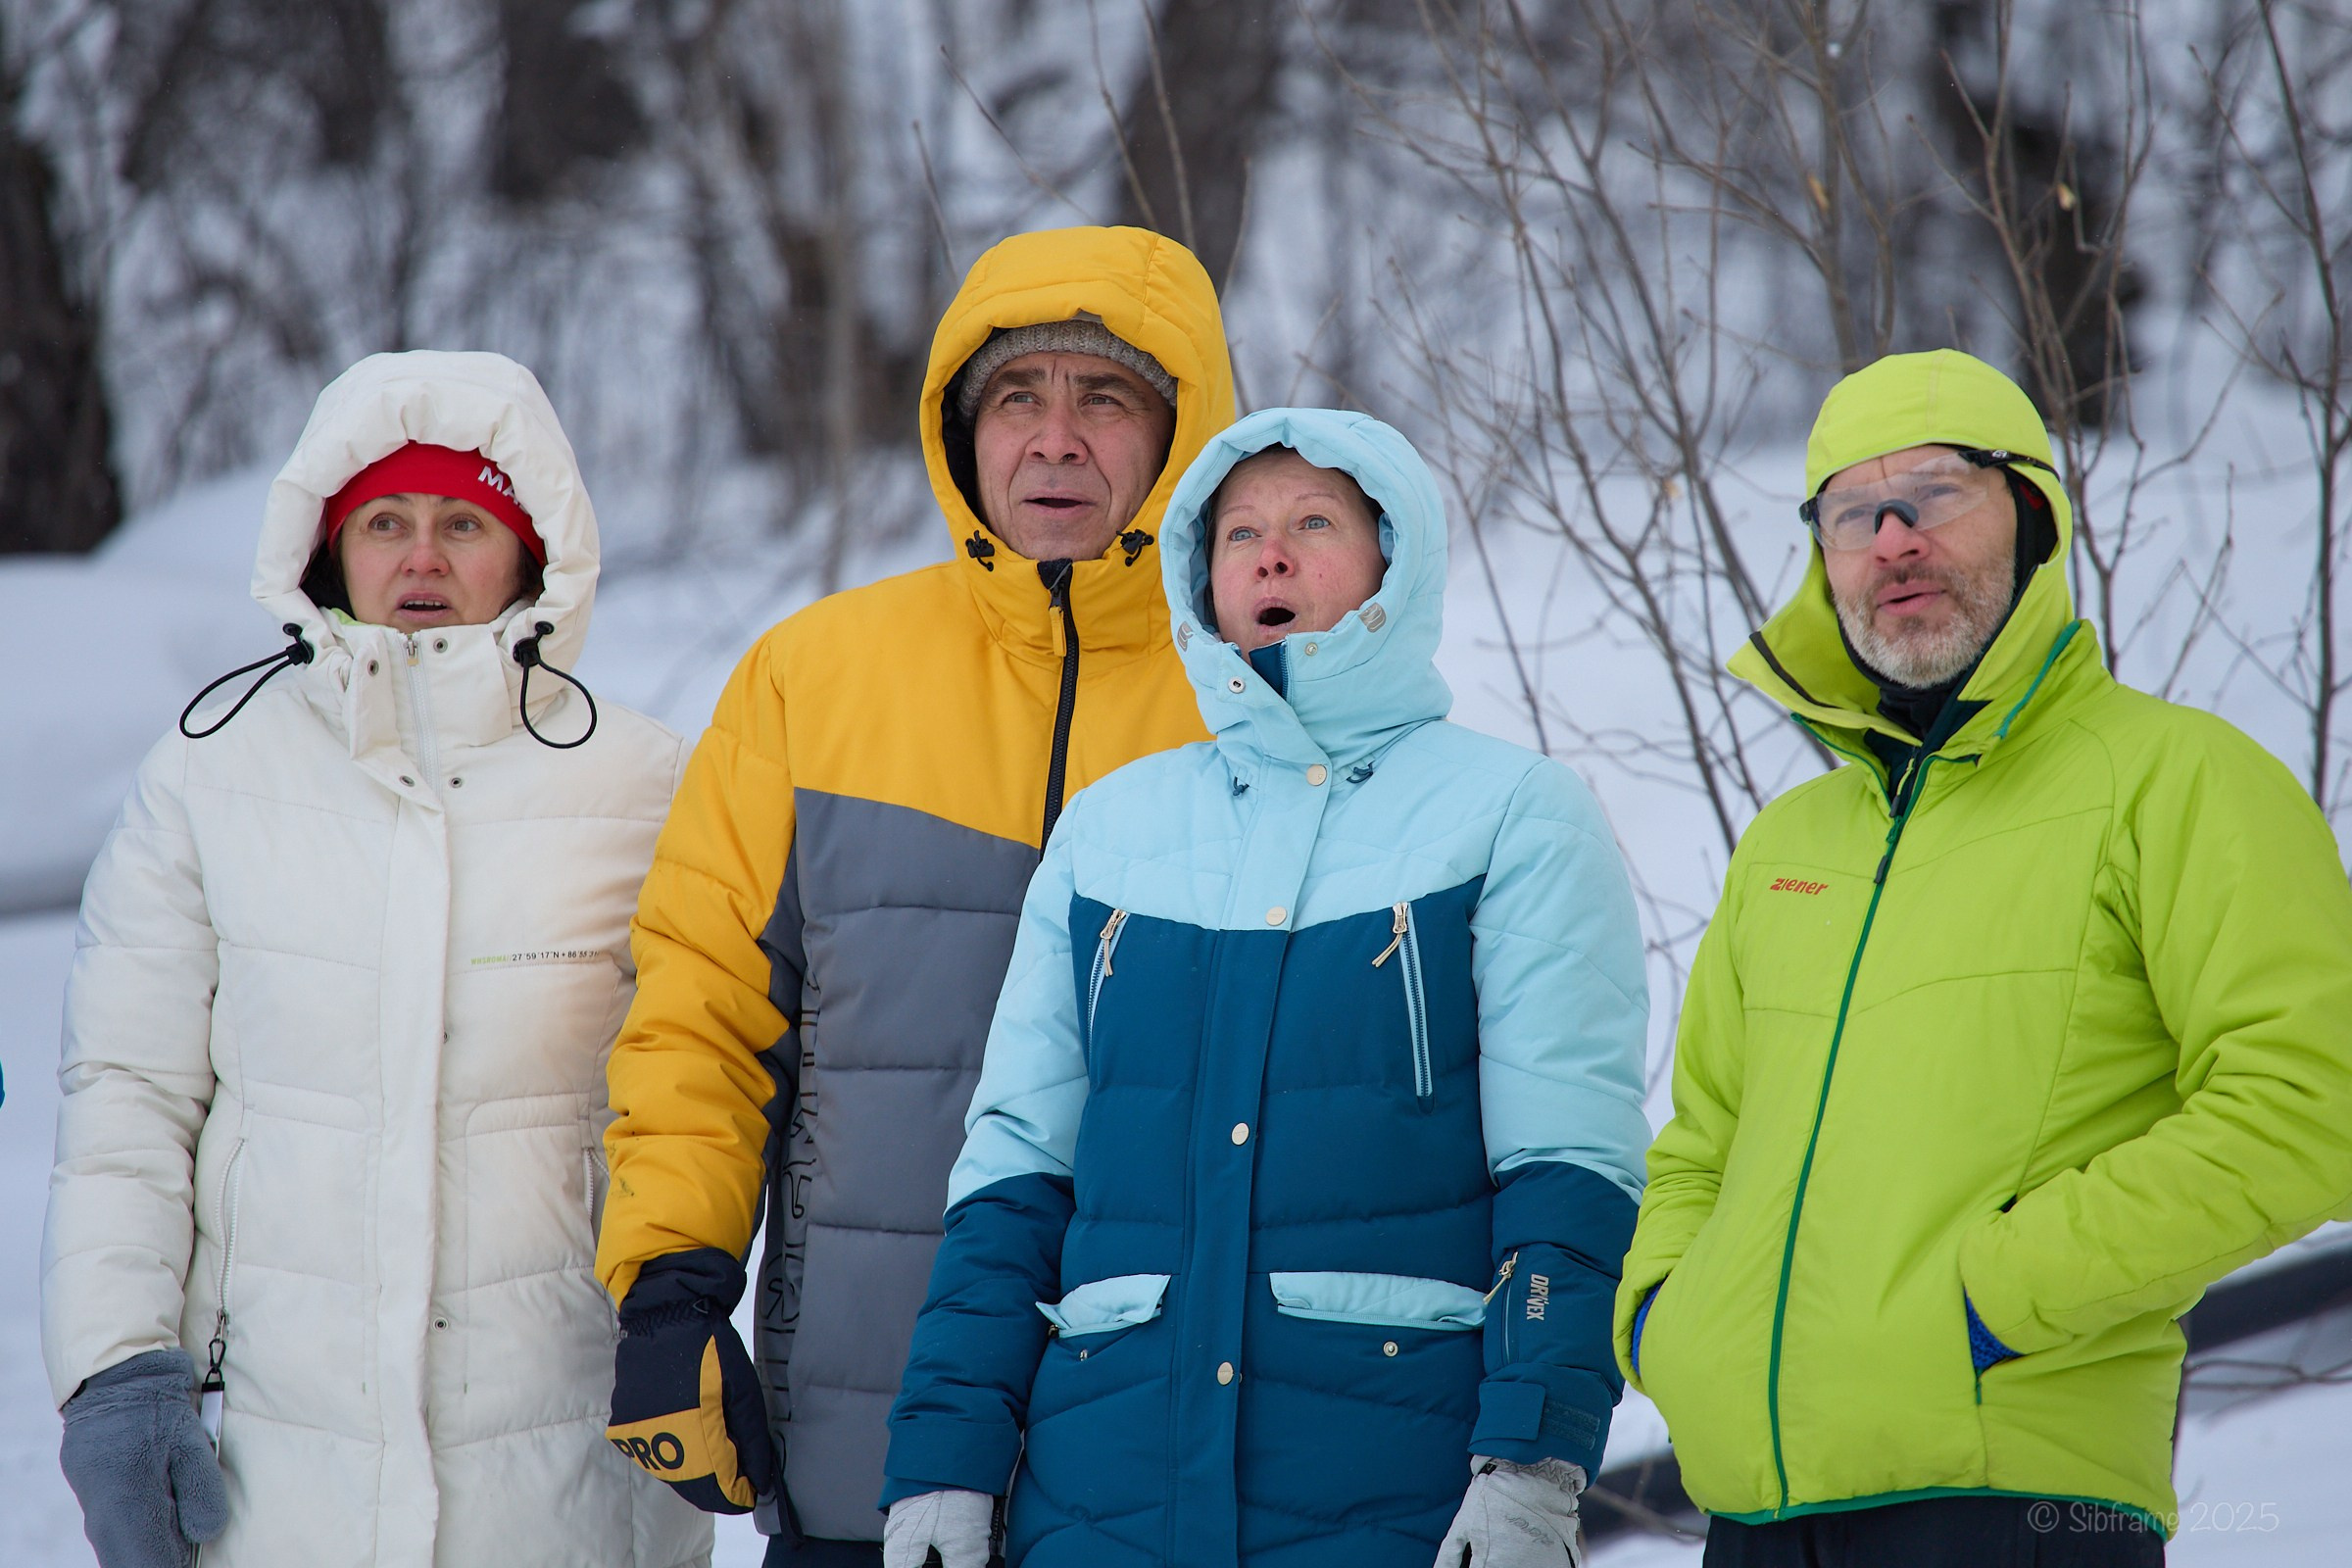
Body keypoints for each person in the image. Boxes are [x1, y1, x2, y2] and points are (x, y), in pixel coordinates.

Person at [877, 408, 1652, 1568]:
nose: (1271, 555)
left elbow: (1567, 1183)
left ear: (1398, 557)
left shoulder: (1510, 815)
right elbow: (1013, 1180)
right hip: (1103, 1507)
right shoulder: (1110, 832)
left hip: (1394, 1495)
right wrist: (943, 1460)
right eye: (1239, 532)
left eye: (1313, 522)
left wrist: (1533, 1463)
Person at [1615, 349, 2352, 1566]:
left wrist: (1995, 1298)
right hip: (1754, 1515)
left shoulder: (2177, 782)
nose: (1895, 537)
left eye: (1938, 492)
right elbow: (1704, 1140)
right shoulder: (1790, 846)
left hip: (2015, 1505)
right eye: (1856, 511)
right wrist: (1668, 1326)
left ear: (2032, 514)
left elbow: (2312, 1100)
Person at [595, 225, 1237, 1563]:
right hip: (861, 1442)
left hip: (1178, 1456)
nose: (1056, 439)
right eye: (1019, 396)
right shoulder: (813, 680)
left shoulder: (1258, 699)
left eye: (1106, 395)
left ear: (1185, 432)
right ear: (959, 429)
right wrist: (673, 1288)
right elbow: (700, 1016)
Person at [39, 350, 708, 1568]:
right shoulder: (210, 775)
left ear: (532, 548)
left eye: (465, 521)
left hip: (563, 1470)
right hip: (280, 1467)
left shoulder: (645, 786)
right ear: (325, 547)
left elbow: (700, 1096)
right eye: (385, 521)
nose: (422, 559)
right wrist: (116, 1369)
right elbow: (129, 1097)